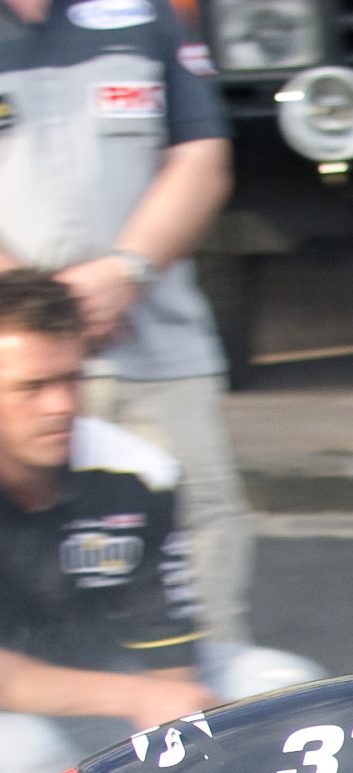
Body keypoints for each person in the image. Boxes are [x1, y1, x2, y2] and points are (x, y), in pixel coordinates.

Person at [0, 271, 309, 773]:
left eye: (72, 379)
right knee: (21, 756)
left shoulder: (137, 475)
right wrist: (137, 694)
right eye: (32, 387)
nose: (60, 405)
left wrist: (168, 736)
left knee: (282, 686)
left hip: (102, 683)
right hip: (34, 707)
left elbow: (169, 662)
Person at [0, 0, 253, 648]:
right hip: (12, 366)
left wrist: (125, 272)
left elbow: (202, 156)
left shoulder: (146, 15)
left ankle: (210, 729)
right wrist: (39, 307)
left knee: (200, 538)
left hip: (158, 350)